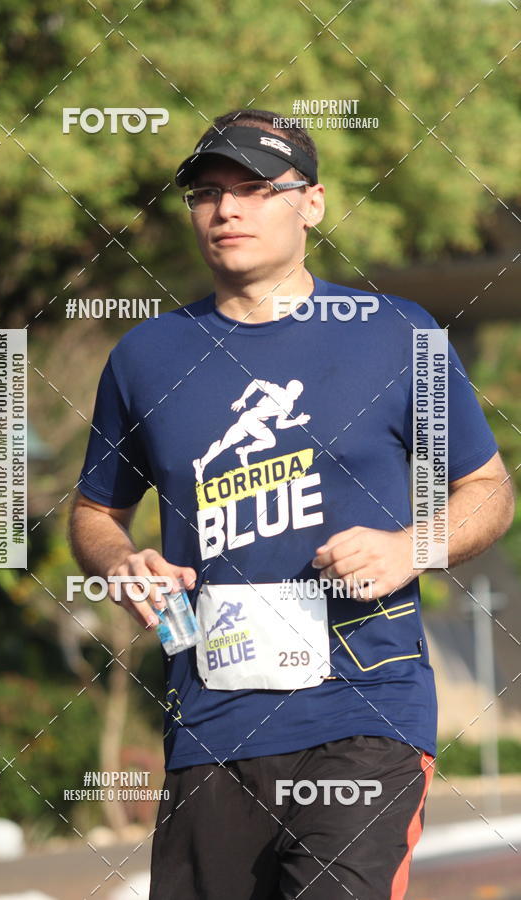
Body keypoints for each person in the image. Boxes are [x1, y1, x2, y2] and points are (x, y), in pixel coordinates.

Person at [69, 108, 515, 899]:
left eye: (254, 188)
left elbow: (486, 491)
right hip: (211, 715)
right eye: (208, 193)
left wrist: (412, 545)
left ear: (311, 202)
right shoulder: (146, 356)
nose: (228, 210)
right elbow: (95, 514)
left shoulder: (396, 335)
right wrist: (122, 563)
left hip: (365, 706)